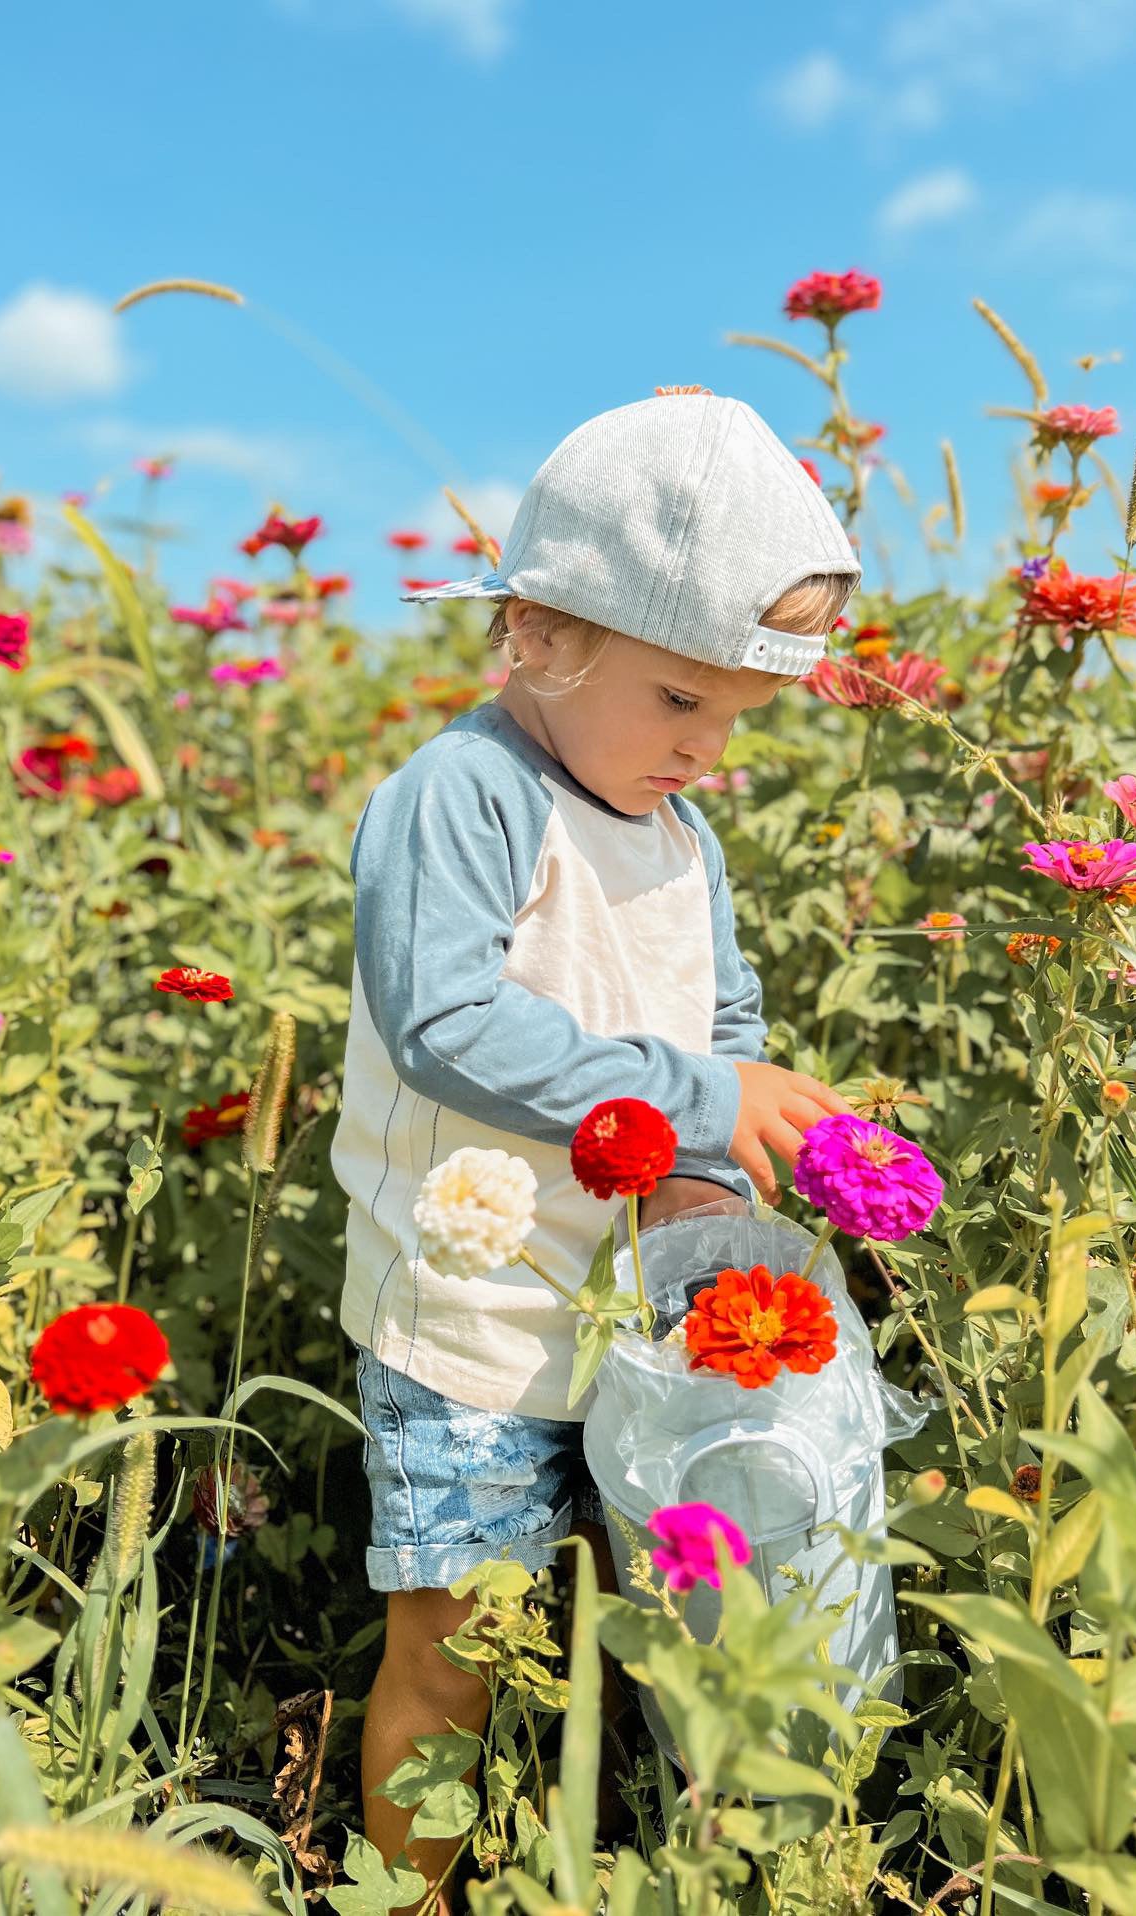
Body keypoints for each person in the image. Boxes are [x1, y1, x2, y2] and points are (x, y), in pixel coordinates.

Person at [329, 386, 860, 1910]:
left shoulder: (684, 842)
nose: (706, 752)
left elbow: (724, 1022)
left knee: (662, 1618)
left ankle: (640, 1858)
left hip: (640, 1317)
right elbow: (444, 1025)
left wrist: (756, 1131)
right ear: (548, 637)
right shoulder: (466, 796)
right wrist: (700, 1098)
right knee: (453, 1644)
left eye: (737, 721)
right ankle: (409, 1889)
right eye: (680, 701)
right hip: (475, 1325)